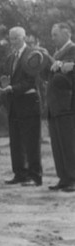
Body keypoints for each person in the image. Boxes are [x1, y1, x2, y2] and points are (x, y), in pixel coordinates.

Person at [0, 27, 43, 186]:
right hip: (14, 104)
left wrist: (13, 88)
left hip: (29, 103)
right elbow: (8, 77)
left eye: (16, 38)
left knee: (31, 142)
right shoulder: (10, 58)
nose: (13, 41)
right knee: (16, 141)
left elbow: (32, 80)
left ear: (24, 37)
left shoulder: (33, 54)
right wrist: (5, 84)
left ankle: (35, 176)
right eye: (11, 38)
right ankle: (20, 173)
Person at [46, 23, 75, 192]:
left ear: (66, 34)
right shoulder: (56, 53)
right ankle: (63, 177)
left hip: (67, 104)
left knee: (69, 142)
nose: (52, 38)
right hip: (54, 105)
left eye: (55, 34)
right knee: (58, 143)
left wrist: (64, 66)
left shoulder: (73, 49)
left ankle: (72, 178)